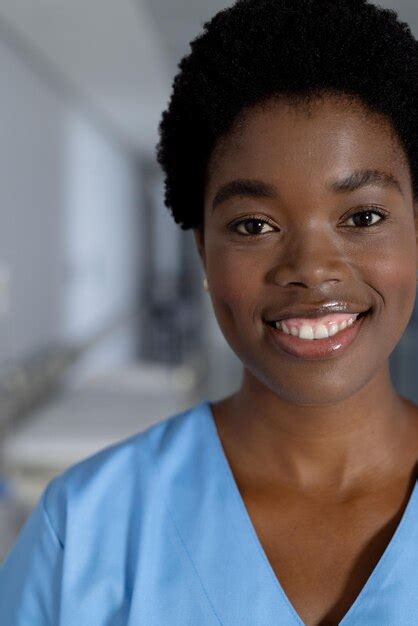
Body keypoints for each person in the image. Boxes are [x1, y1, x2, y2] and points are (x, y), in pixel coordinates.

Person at [1, 0, 418, 624]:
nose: (310, 266)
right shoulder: (84, 531)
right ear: (203, 248)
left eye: (362, 217)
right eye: (253, 224)